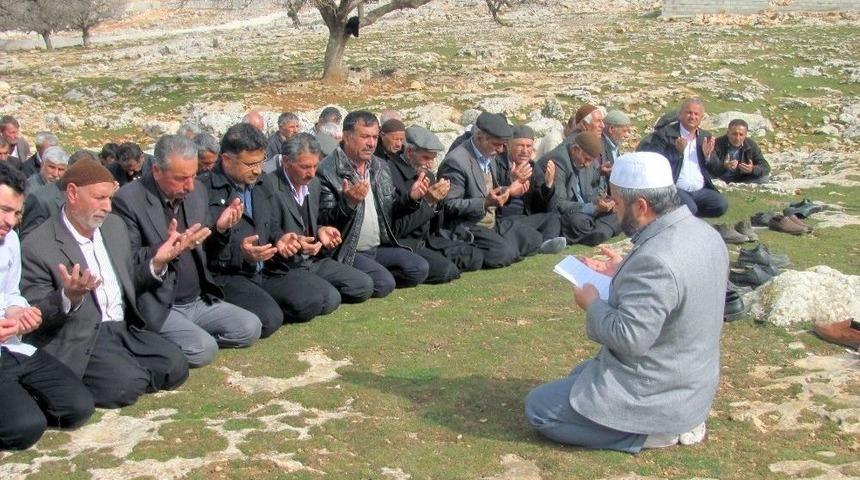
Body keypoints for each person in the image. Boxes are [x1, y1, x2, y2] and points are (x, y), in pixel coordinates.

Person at [525, 152, 728, 453]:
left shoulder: (656, 259)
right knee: (580, 374)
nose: (615, 212)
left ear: (641, 206)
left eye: (618, 204)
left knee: (539, 407)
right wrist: (623, 270)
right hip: (690, 379)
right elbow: (674, 291)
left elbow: (629, 338)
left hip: (661, 392)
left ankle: (652, 434)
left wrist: (591, 302)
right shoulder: (704, 233)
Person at [21, 159, 189, 408]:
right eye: (99, 198)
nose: (107, 207)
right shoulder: (38, 245)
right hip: (82, 334)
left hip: (122, 328)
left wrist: (156, 263)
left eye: (110, 198)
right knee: (124, 386)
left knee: (176, 365)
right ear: (72, 193)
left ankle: (127, 369)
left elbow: (127, 279)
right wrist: (68, 297)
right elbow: (34, 313)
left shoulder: (113, 227)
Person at [112, 135, 262, 367]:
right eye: (181, 179)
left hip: (198, 299)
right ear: (157, 171)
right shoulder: (128, 201)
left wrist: (220, 230)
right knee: (203, 350)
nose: (190, 185)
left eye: (192, 176)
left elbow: (206, 251)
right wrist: (164, 252)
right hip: (161, 303)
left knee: (250, 328)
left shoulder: (197, 192)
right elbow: (126, 264)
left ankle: (186, 336)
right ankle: (169, 340)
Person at [202, 124, 342, 336]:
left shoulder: (261, 183)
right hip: (227, 276)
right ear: (227, 160)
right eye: (250, 164)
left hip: (265, 270)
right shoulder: (204, 191)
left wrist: (282, 239)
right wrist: (227, 237)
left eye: (260, 161)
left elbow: (272, 225)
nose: (258, 169)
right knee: (269, 319)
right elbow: (200, 250)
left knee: (319, 300)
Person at [0, 162, 94, 450]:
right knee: (24, 429)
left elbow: (11, 293)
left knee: (77, 407)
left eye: (16, 213)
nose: (11, 221)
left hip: (11, 347)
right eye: (4, 210)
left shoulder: (10, 241)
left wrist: (19, 312)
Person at [316, 110, 430, 298]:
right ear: (346, 137)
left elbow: (390, 210)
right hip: (347, 250)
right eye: (364, 137)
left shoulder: (380, 166)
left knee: (419, 268)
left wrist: (411, 198)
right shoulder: (327, 171)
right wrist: (349, 204)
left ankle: (367, 276)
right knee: (384, 283)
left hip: (379, 247)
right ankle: (351, 278)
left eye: (375, 137)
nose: (371, 143)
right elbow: (324, 221)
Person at [267, 133, 375, 303]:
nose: (311, 173)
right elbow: (267, 228)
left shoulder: (314, 183)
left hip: (313, 260)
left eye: (315, 166)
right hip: (285, 266)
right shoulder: (269, 186)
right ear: (287, 162)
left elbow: (315, 221)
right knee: (328, 299)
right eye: (305, 167)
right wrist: (288, 241)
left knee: (364, 285)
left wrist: (321, 230)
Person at [438, 112, 542, 268]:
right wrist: (484, 203)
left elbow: (492, 192)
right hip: (468, 226)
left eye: (503, 145)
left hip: (492, 223)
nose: (501, 150)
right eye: (497, 144)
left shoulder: (489, 156)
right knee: (503, 253)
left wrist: (509, 190)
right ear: (480, 138)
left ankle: (505, 247)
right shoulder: (456, 162)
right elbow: (448, 205)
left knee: (533, 238)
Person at [389, 126, 482, 283]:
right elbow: (398, 228)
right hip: (405, 243)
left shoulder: (429, 176)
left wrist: (437, 203)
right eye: (426, 158)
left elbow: (435, 225)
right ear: (409, 153)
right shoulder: (391, 174)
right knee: (446, 271)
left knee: (474, 257)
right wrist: (428, 202)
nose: (430, 165)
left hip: (428, 240)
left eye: (433, 159)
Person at [638, 98, 727, 218]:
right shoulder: (665, 134)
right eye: (689, 113)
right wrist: (677, 152)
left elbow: (716, 170)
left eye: (696, 114)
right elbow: (655, 163)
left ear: (701, 118)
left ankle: (685, 216)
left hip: (699, 190)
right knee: (691, 208)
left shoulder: (705, 137)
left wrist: (708, 156)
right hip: (674, 187)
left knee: (720, 205)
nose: (692, 117)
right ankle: (681, 216)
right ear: (680, 115)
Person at [534, 132, 621, 246]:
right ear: (575, 149)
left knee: (619, 212)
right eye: (586, 159)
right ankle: (598, 230)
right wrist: (594, 208)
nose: (587, 165)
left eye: (591, 161)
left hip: (582, 209)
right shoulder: (558, 161)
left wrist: (603, 202)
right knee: (578, 222)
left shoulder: (584, 161)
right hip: (561, 214)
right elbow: (558, 204)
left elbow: (586, 192)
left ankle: (595, 231)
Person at [494, 125, 567, 254]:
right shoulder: (496, 164)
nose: (525, 151)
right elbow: (491, 197)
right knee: (523, 230)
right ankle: (539, 243)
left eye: (529, 146)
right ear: (508, 145)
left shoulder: (532, 166)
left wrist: (548, 185)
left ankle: (547, 243)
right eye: (520, 145)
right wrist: (510, 182)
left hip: (525, 217)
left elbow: (540, 204)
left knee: (554, 217)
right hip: (503, 220)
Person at [713, 119, 771, 184]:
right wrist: (724, 166)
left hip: (742, 178)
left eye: (741, 135)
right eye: (734, 134)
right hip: (720, 177)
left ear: (745, 135)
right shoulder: (717, 144)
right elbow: (709, 165)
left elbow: (765, 166)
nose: (737, 138)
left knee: (764, 179)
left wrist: (752, 169)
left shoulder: (751, 145)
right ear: (728, 133)